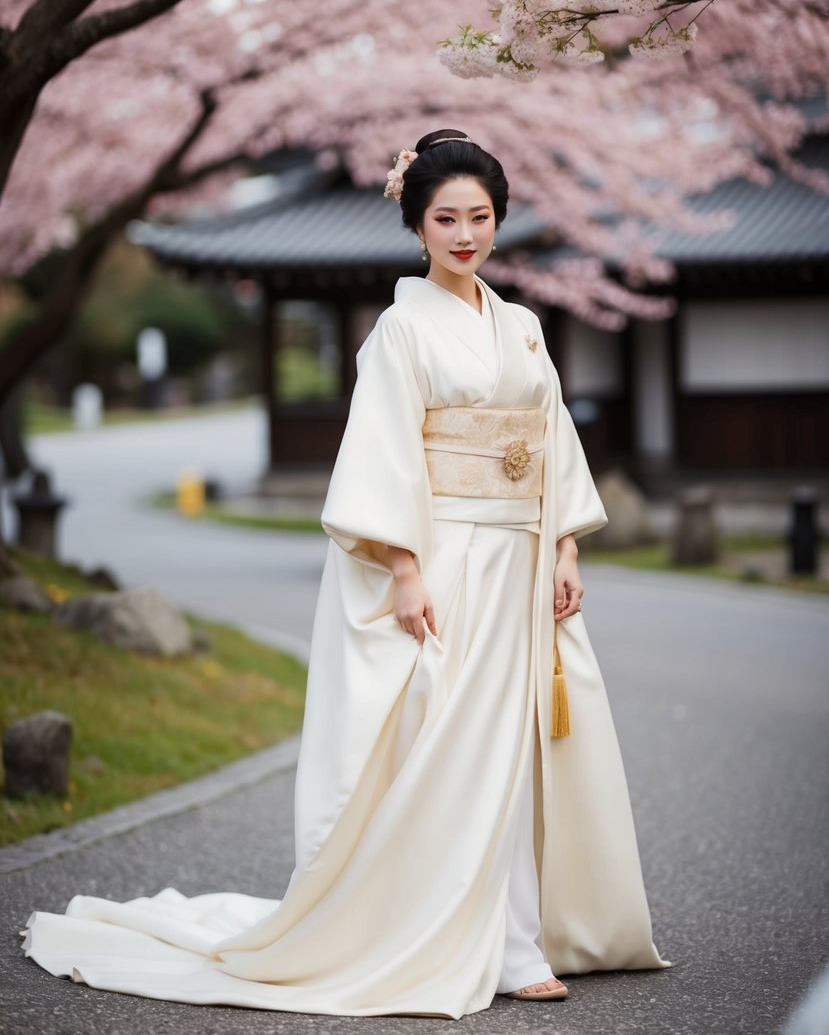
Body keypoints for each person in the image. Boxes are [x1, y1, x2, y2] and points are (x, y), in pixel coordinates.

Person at [20, 129, 670, 1018]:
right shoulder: (400, 332)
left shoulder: (519, 327)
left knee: (516, 746)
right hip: (445, 554)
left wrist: (563, 545)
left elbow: (550, 438)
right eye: (446, 218)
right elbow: (382, 456)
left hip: (520, 557)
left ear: (499, 219)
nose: (466, 234)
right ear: (417, 225)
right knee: (457, 746)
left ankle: (515, 926)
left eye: (480, 217)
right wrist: (405, 569)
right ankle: (499, 941)